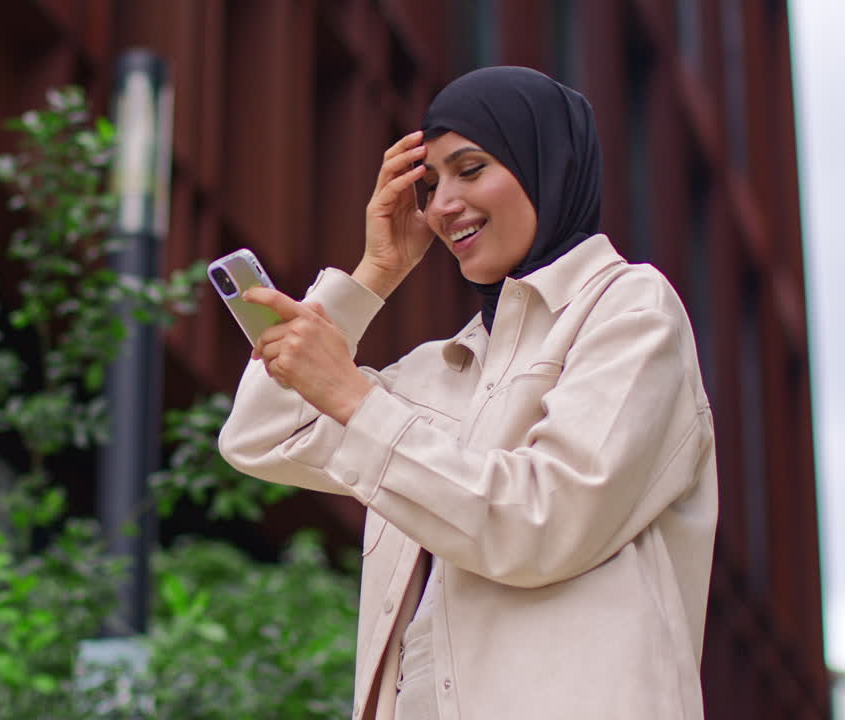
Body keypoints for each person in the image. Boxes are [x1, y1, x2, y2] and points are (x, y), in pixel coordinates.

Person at [217, 66, 717, 720]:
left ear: (546, 164)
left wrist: (353, 398)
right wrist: (374, 274)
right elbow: (260, 435)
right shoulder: (446, 367)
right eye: (427, 185)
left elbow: (545, 520)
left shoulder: (629, 311)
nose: (442, 204)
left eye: (470, 168)